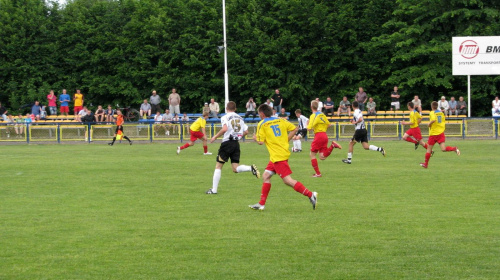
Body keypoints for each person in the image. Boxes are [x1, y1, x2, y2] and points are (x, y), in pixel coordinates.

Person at [249, 104, 318, 211]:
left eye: (259, 114)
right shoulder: (280, 120)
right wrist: (286, 140)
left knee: (287, 180)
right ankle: (261, 204)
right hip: (279, 154)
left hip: (278, 156)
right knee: (266, 176)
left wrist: (254, 138)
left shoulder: (262, 124)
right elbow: (295, 128)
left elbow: (260, 142)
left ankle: (310, 194)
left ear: (262, 114)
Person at [206, 101, 261, 194]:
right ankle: (250, 168)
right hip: (236, 143)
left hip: (227, 143)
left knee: (218, 166)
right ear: (235, 109)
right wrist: (239, 136)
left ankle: (214, 190)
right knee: (235, 168)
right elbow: (246, 131)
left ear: (226, 108)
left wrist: (215, 137)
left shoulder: (225, 117)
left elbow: (224, 129)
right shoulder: (240, 118)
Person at [420, 101, 460, 168]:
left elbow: (433, 120)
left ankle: (426, 164)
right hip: (440, 133)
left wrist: (429, 124)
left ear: (432, 106)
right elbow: (443, 121)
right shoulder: (441, 113)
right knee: (443, 149)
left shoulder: (432, 113)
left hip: (433, 134)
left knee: (429, 149)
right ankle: (454, 148)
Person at [308, 100, 341, 177]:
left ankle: (318, 173)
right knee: (322, 157)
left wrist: (308, 125)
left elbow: (309, 128)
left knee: (312, 155)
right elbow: (329, 125)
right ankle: (332, 145)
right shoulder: (322, 115)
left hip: (318, 136)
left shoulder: (313, 115)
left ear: (311, 107)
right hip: (324, 135)